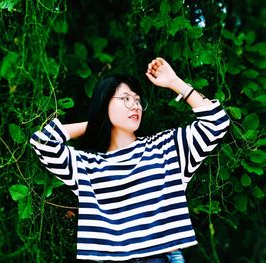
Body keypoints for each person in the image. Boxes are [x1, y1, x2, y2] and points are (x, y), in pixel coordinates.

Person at [30, 58, 230, 262]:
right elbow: (43, 142)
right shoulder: (87, 166)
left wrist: (173, 81)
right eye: (125, 98)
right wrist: (98, 120)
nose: (134, 105)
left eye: (137, 100)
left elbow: (216, 123)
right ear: (104, 104)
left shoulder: (167, 148)